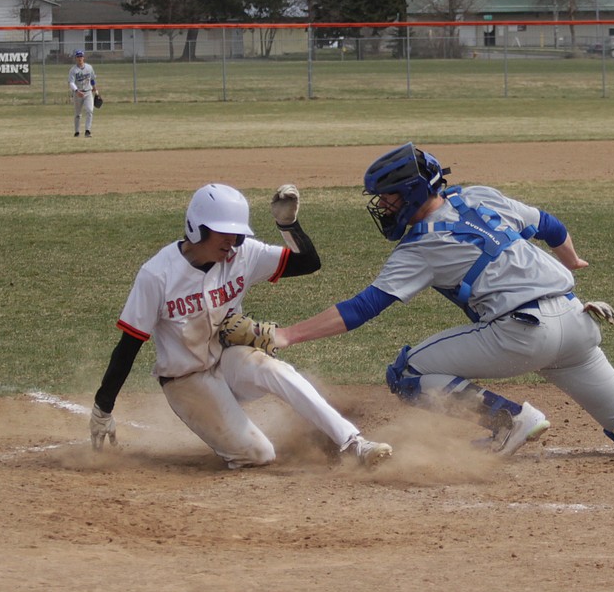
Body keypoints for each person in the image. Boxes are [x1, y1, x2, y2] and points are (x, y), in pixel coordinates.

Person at [225, 142, 614, 463]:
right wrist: (573, 262)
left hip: (524, 332)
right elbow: (551, 224)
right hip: (579, 321)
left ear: (415, 194)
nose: (385, 206)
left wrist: (285, 335)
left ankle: (511, 421)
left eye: (390, 196)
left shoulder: (421, 246)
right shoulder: (480, 197)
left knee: (406, 371)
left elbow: (363, 307)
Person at [88, 183, 393, 469]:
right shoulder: (157, 275)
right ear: (198, 229)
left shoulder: (243, 255)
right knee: (259, 455)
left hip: (229, 360)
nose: (232, 242)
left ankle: (355, 444)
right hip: (186, 380)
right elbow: (128, 346)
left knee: (275, 369)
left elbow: (308, 263)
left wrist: (288, 226)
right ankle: (233, 440)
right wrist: (103, 407)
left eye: (237, 234)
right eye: (224, 233)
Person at [68, 49, 98, 138]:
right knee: (78, 114)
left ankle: (87, 131)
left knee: (90, 110)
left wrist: (95, 88)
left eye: (81, 56)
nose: (80, 58)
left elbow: (92, 79)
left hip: (88, 92)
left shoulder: (89, 67)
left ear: (83, 57)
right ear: (76, 58)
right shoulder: (73, 70)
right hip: (78, 93)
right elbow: (71, 83)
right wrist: (77, 91)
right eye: (78, 56)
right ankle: (77, 132)